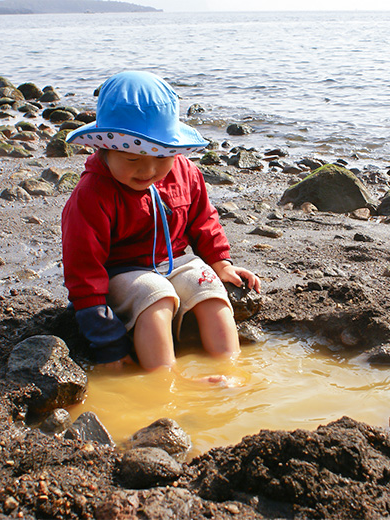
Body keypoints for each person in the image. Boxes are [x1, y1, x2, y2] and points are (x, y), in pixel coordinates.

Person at [61, 71, 260, 372]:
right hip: (122, 272)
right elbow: (83, 271)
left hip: (175, 260)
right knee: (157, 296)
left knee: (209, 289)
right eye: (132, 159)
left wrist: (221, 264)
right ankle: (163, 381)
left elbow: (204, 220)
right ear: (103, 148)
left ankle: (229, 371)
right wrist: (108, 344)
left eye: (162, 157)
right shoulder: (92, 195)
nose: (148, 170)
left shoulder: (186, 172)